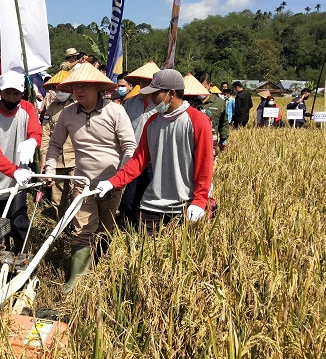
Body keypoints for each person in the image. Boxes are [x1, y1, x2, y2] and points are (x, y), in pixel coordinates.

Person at [45, 63, 136, 293]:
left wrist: (119, 178)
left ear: (98, 87)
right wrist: (49, 167)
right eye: (75, 86)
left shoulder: (115, 111)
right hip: (82, 182)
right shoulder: (67, 114)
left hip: (110, 184)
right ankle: (76, 280)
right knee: (82, 230)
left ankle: (101, 272)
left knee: (105, 230)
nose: (79, 90)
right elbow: (54, 144)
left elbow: (129, 147)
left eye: (84, 85)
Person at [95, 69, 214, 235]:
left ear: (171, 93)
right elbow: (138, 160)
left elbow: (205, 164)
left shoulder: (197, 121)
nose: (150, 99)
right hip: (152, 204)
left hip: (185, 204)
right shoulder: (152, 122)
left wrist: (200, 200)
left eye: (155, 94)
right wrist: (113, 182)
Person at [0, 70, 42, 250]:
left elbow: (36, 131)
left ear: (22, 93)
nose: (11, 98)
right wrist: (13, 170)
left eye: (16, 94)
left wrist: (33, 141)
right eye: (7, 93)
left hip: (18, 180)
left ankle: (23, 259)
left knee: (18, 223)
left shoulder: (28, 108)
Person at [119, 62, 160, 226]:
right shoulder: (130, 103)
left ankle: (145, 228)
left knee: (149, 194)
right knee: (129, 196)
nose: (145, 85)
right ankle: (127, 226)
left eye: (149, 82)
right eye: (142, 81)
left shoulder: (161, 106)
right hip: (132, 156)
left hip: (153, 157)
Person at [39, 70, 76, 220]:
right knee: (57, 199)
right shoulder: (51, 108)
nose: (59, 91)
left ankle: (74, 229)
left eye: (62, 88)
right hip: (57, 161)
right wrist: (44, 160)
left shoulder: (78, 105)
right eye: (56, 89)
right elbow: (46, 135)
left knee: (76, 196)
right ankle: (56, 230)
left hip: (76, 159)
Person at [195, 71, 229, 151]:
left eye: (203, 88)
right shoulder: (188, 102)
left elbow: (223, 123)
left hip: (210, 146)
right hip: (191, 145)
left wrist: (223, 138)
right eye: (197, 88)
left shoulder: (219, 103)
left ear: (210, 85)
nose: (200, 92)